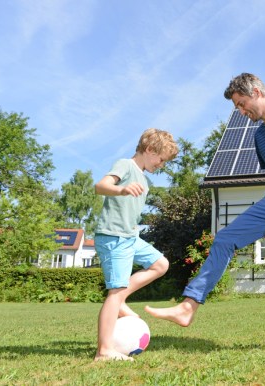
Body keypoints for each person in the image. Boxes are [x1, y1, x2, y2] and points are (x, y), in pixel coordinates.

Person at [145, 73, 265, 353]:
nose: (241, 111)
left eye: (242, 104)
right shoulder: (260, 135)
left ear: (257, 92)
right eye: (237, 107)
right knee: (224, 239)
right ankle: (188, 306)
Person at [93, 128, 179, 361]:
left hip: (130, 237)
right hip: (113, 236)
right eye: (161, 159)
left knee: (160, 264)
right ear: (149, 149)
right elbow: (101, 186)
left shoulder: (144, 179)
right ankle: (104, 351)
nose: (162, 164)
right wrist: (121, 189)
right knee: (116, 291)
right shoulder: (126, 165)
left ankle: (119, 299)